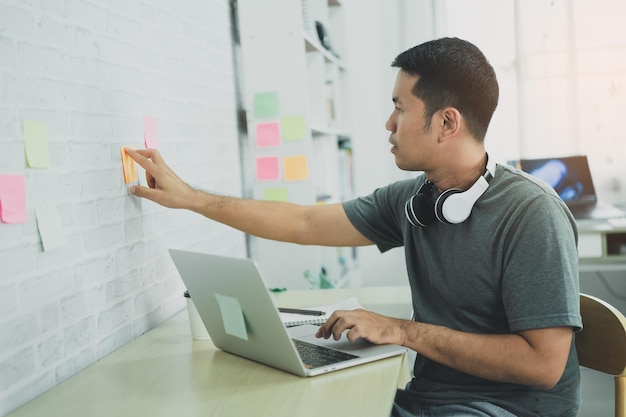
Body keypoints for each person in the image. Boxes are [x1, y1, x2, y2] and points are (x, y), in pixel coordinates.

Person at [125, 37, 581, 416]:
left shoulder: (532, 214)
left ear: (446, 122)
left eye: (399, 108)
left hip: (506, 410)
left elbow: (543, 366)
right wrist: (189, 198)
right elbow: (304, 222)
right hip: (430, 402)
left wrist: (402, 331)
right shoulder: (415, 199)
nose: (388, 124)